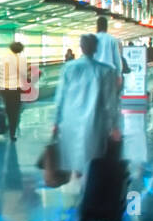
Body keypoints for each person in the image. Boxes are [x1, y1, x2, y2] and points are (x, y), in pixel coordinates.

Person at [53, 34, 123, 194]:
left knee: (74, 159)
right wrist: (114, 126)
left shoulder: (68, 68)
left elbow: (60, 97)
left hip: (70, 121)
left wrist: (56, 121)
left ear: (81, 47)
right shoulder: (106, 71)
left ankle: (76, 192)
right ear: (96, 48)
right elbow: (110, 102)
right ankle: (91, 194)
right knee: (93, 159)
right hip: (95, 122)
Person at [0, 40, 29, 141]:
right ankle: (12, 132)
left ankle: (6, 124)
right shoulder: (21, 60)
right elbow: (24, 75)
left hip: (4, 88)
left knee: (7, 108)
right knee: (15, 111)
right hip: (16, 88)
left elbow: (0, 74)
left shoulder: (4, 58)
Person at [93, 15, 126, 89]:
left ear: (97, 26)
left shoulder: (93, 38)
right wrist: (119, 75)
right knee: (109, 97)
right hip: (109, 74)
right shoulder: (112, 39)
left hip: (96, 73)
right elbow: (117, 59)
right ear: (106, 27)